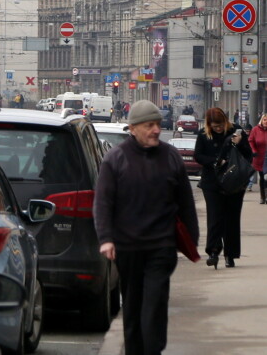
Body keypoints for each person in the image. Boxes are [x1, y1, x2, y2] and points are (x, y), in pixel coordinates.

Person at [94, 100, 199, 355]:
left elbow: (185, 201)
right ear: (133, 128)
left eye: (157, 125)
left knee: (154, 305)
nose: (155, 130)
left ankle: (153, 350)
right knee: (132, 306)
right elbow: (103, 202)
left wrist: (191, 240)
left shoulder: (170, 156)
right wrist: (106, 238)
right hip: (127, 248)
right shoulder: (116, 159)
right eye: (149, 125)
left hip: (161, 246)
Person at [194, 107, 252, 269]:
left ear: (225, 121)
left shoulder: (236, 132)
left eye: (220, 125)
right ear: (209, 124)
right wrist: (215, 161)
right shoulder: (204, 134)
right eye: (215, 126)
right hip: (212, 182)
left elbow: (248, 155)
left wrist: (239, 145)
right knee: (215, 217)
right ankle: (213, 251)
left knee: (231, 218)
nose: (218, 129)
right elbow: (198, 155)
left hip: (234, 182)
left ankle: (230, 254)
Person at [248, 114, 267, 203]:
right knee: (263, 178)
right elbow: (251, 141)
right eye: (265, 119)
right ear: (262, 120)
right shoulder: (255, 129)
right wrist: (254, 150)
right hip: (259, 157)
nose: (266, 121)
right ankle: (263, 197)